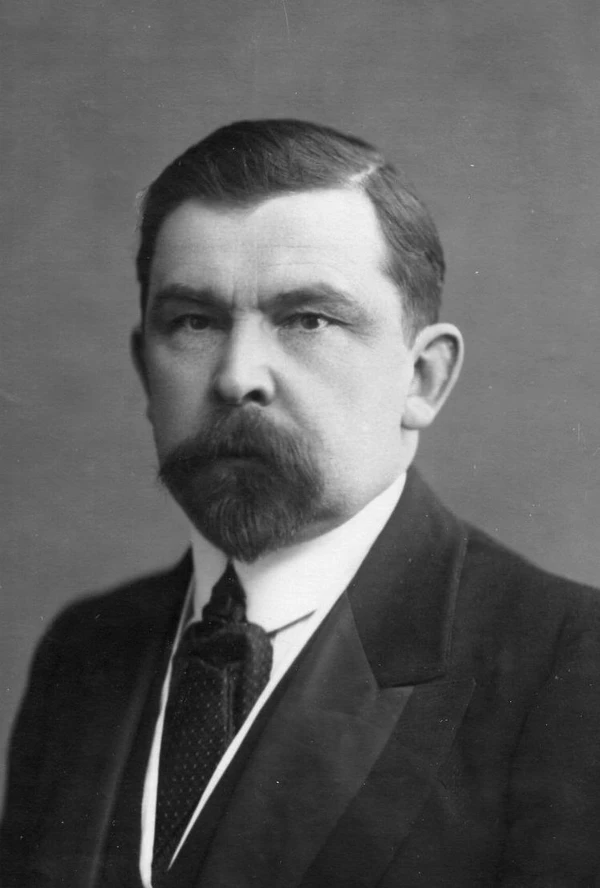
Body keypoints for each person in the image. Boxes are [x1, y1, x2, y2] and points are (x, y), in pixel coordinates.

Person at [2, 119, 600, 888]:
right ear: (145, 370)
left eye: (309, 320)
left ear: (423, 379)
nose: (237, 376)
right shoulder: (86, 652)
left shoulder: (567, 664)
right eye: (193, 322)